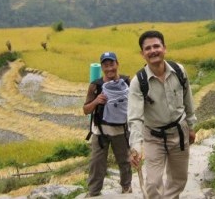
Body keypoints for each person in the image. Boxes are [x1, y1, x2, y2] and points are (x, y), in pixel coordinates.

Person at [128, 30, 197, 199]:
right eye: (148, 48)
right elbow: (135, 117)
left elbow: (188, 99)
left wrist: (192, 126)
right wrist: (135, 146)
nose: (153, 51)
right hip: (153, 137)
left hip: (179, 132)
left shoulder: (179, 70)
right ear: (142, 54)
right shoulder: (138, 82)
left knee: (179, 179)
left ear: (164, 48)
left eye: (156, 46)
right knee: (152, 183)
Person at [83, 52, 132, 197]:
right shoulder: (95, 86)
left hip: (121, 130)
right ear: (102, 67)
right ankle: (94, 192)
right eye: (105, 65)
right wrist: (96, 101)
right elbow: (86, 110)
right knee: (97, 163)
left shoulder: (127, 82)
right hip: (100, 132)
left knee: (124, 161)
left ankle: (126, 187)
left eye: (112, 64)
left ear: (117, 64)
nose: (109, 68)